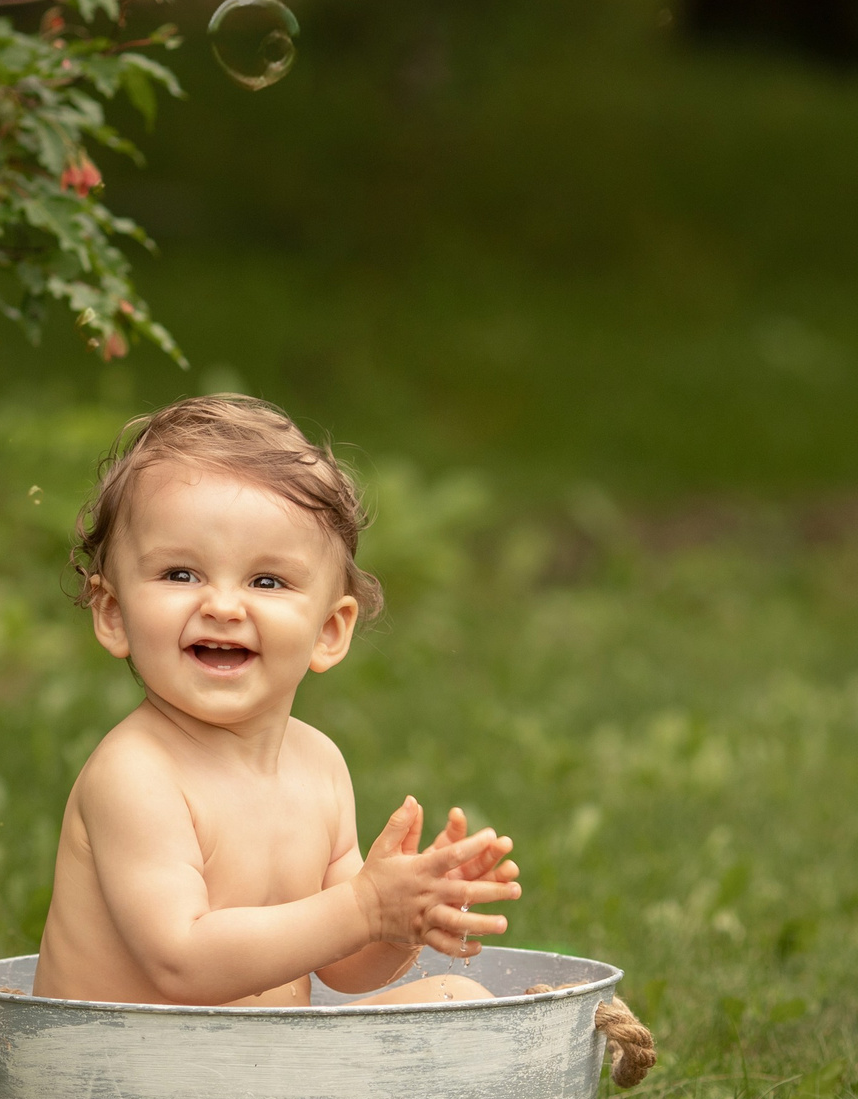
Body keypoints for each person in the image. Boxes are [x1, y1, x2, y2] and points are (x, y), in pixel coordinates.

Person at [32, 395, 521, 1007]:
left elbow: (344, 968)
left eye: (267, 581)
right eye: (180, 574)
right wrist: (362, 905)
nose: (223, 605)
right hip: (125, 1080)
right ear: (113, 614)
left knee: (458, 997)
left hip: (259, 1076)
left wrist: (402, 916)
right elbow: (181, 963)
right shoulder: (136, 775)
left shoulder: (318, 766)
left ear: (329, 631)